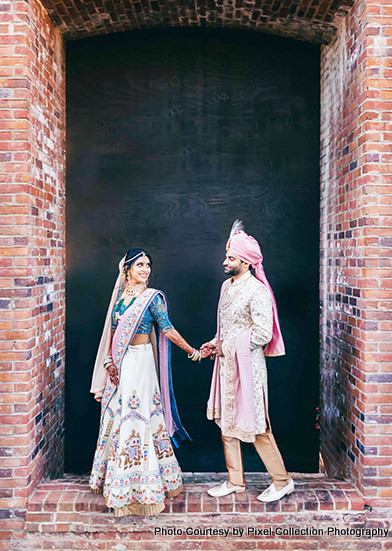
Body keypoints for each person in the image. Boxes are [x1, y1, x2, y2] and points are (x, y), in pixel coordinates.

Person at [89, 248, 202, 516]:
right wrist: (108, 362)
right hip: (120, 363)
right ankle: (119, 485)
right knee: (118, 418)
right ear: (127, 269)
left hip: (141, 363)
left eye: (148, 264)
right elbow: (113, 334)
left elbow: (168, 330)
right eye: (140, 264)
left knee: (138, 417)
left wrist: (193, 351)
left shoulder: (152, 299)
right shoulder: (119, 297)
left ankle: (146, 486)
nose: (145, 269)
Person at [201, 221, 294, 503]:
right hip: (226, 365)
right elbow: (225, 326)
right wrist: (214, 343)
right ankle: (235, 480)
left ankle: (282, 481)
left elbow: (263, 333)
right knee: (226, 422)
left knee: (256, 425)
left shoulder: (257, 291)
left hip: (248, 368)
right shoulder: (225, 287)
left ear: (246, 261)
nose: (224, 261)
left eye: (230, 257)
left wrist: (226, 346)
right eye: (227, 256)